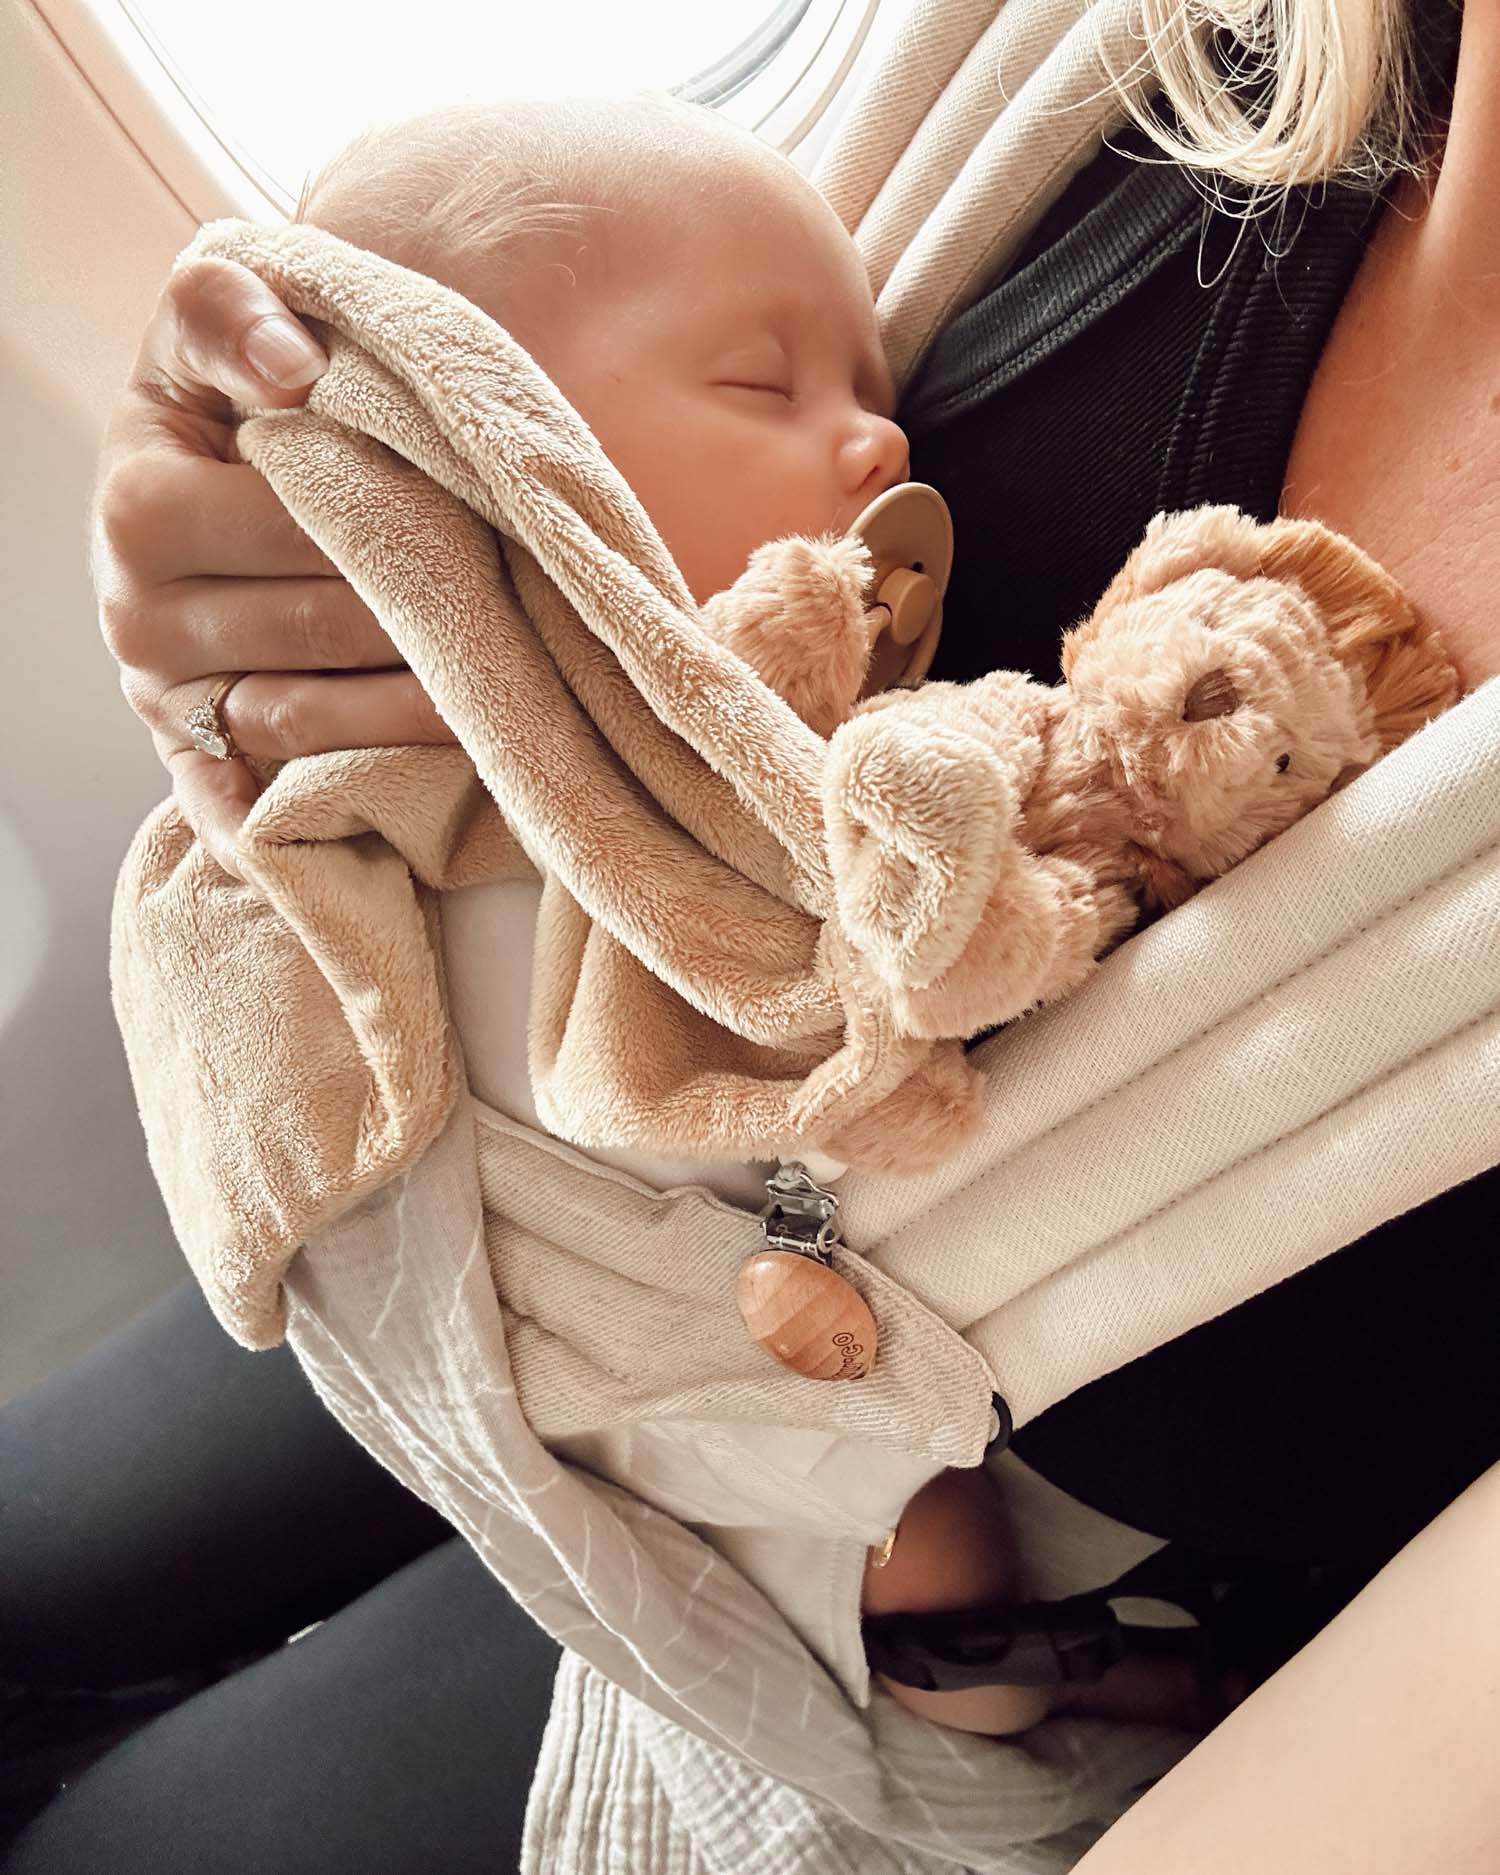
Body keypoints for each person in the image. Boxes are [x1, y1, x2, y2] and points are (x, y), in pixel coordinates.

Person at [6, 0, 1496, 1867]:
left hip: (894, 1484)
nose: (871, 436)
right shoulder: (1096, 59)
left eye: (858, 391)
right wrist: (296, 526)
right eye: (770, 387)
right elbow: (478, 417)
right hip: (469, 1184)